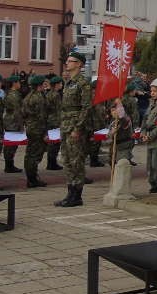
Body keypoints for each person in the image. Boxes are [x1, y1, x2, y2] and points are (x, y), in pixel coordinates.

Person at [54, 52, 92, 207]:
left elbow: (86, 107)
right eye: (67, 60)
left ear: (79, 64)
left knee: (76, 161)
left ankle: (77, 195)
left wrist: (78, 128)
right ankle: (70, 193)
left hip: (75, 127)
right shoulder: (69, 82)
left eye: (71, 61)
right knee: (67, 160)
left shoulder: (83, 83)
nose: (67, 63)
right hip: (66, 125)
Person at [23, 76, 49, 188]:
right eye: (44, 84)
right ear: (39, 86)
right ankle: (32, 180)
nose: (45, 86)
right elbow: (42, 117)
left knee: (29, 154)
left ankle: (31, 178)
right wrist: (44, 133)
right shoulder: (39, 98)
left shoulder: (28, 96)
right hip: (37, 129)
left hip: (30, 127)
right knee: (35, 154)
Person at [2, 75, 24, 173]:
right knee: (11, 145)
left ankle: (9, 165)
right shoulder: (13, 95)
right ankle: (9, 166)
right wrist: (21, 124)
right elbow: (17, 111)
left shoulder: (12, 93)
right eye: (19, 82)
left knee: (11, 145)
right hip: (13, 122)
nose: (20, 84)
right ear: (14, 83)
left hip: (11, 121)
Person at [87, 80, 107, 167]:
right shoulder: (94, 97)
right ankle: (93, 161)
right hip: (96, 123)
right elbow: (96, 111)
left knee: (97, 142)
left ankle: (94, 159)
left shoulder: (98, 96)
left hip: (99, 122)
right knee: (95, 143)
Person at [45, 76, 63, 170]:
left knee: (52, 143)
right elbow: (59, 109)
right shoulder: (56, 95)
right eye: (60, 83)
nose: (61, 85)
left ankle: (51, 163)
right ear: (56, 84)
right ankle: (52, 163)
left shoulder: (48, 94)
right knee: (55, 143)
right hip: (55, 120)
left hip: (50, 120)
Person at [108, 98, 134, 164]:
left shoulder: (126, 119)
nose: (114, 112)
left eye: (115, 110)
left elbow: (124, 120)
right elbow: (108, 135)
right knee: (112, 163)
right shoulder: (113, 122)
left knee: (122, 164)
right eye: (112, 111)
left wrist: (119, 106)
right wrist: (111, 133)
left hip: (124, 146)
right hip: (115, 145)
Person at [121, 83, 140, 165]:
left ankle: (122, 158)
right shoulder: (132, 100)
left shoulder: (121, 98)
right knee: (130, 142)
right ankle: (127, 158)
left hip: (122, 123)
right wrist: (136, 125)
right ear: (131, 91)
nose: (136, 91)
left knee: (123, 142)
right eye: (135, 90)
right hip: (130, 123)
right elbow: (135, 114)